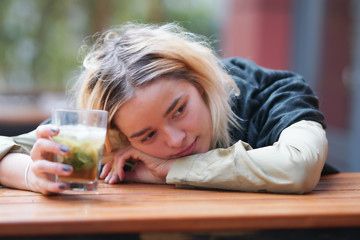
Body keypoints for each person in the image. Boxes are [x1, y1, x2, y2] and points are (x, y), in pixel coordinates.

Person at [0, 22, 336, 195]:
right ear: (118, 134)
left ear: (198, 80)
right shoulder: (101, 136)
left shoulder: (272, 93)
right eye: (146, 136)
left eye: (178, 110)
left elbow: (299, 166)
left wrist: (164, 171)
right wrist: (35, 175)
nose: (175, 140)